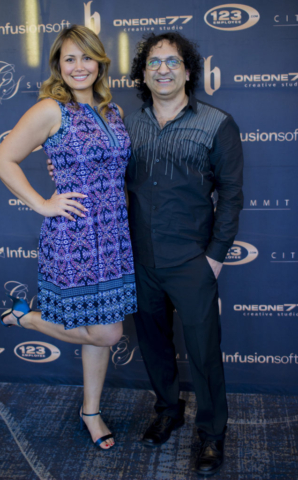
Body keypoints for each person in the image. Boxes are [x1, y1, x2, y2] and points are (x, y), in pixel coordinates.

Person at [0, 25, 137, 451]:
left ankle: (90, 411)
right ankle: (27, 318)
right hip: (73, 235)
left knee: (100, 327)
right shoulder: (51, 110)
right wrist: (42, 203)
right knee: (108, 333)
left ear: (100, 63)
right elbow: (3, 159)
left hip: (113, 237)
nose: (79, 67)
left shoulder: (114, 112)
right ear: (58, 64)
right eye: (69, 59)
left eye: (87, 58)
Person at [124, 33, 243, 476]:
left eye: (173, 62)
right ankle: (167, 411)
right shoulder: (127, 125)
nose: (163, 70)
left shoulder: (216, 123)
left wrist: (214, 256)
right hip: (140, 259)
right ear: (144, 73)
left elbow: (231, 195)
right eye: (154, 63)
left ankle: (212, 435)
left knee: (204, 352)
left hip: (193, 261)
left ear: (188, 70)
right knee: (154, 345)